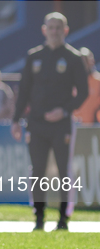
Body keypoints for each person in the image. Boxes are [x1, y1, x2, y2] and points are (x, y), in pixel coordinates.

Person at [11, 12, 88, 232]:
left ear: (65, 30)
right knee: (37, 170)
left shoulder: (73, 58)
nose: (54, 31)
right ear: (44, 30)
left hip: (61, 123)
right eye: (50, 27)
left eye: (58, 27)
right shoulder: (33, 56)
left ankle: (63, 218)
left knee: (64, 171)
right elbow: (24, 91)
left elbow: (82, 93)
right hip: (35, 123)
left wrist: (64, 111)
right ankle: (38, 217)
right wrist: (16, 120)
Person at [73, 47, 100, 124]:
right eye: (81, 60)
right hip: (75, 126)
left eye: (86, 60)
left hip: (93, 127)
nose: (83, 64)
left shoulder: (98, 81)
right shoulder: (71, 80)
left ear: (92, 62)